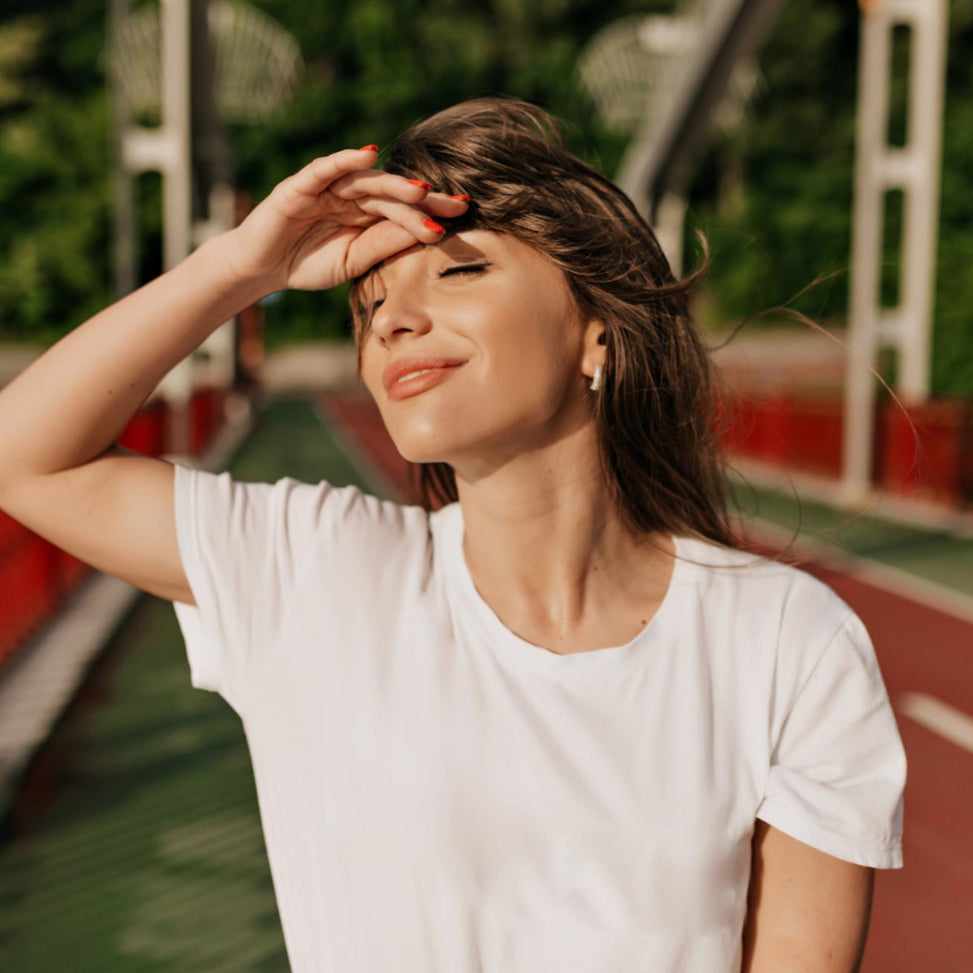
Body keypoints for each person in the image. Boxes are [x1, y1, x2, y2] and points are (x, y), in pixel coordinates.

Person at [0, 96, 905, 973]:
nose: (391, 319)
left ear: (596, 330)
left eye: (459, 269)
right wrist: (244, 269)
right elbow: (25, 459)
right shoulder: (313, 572)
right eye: (368, 302)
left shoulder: (787, 640)